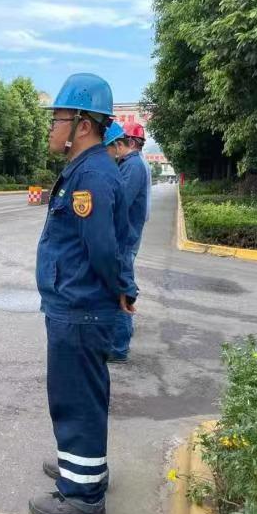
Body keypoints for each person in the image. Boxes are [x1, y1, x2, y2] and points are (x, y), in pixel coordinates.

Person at [31, 73, 137, 514]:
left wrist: (120, 290)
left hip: (80, 308)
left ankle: (83, 494)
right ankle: (82, 468)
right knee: (77, 396)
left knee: (76, 400)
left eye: (57, 119)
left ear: (83, 125)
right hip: (75, 304)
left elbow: (103, 250)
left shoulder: (91, 175)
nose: (51, 128)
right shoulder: (85, 168)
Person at [109, 122, 150, 362]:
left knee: (120, 289)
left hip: (124, 239)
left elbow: (120, 201)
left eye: (117, 144)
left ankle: (118, 348)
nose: (115, 149)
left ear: (131, 143)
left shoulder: (133, 166)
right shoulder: (131, 164)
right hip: (127, 237)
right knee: (120, 286)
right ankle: (118, 342)